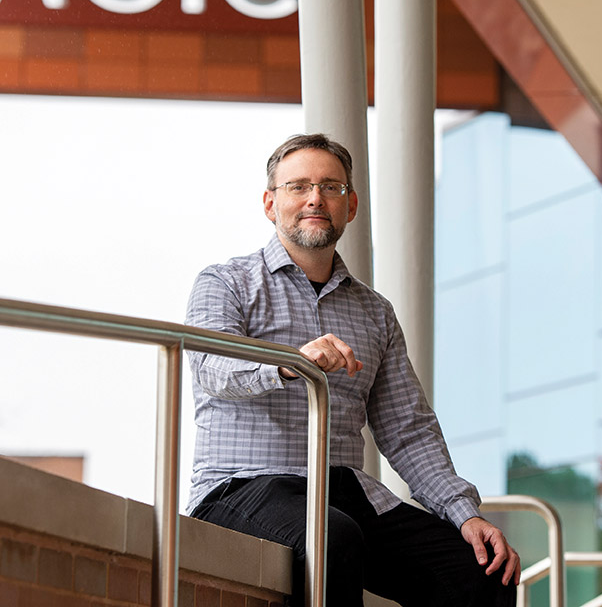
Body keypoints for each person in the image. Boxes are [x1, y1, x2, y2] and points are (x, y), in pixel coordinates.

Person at [185, 133, 519, 606]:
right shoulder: (225, 284)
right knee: (333, 538)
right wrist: (292, 363)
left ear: (351, 205)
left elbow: (408, 430)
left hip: (343, 490)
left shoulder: (375, 312)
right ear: (269, 203)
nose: (315, 198)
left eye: (331, 188)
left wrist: (465, 514)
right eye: (298, 186)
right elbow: (210, 367)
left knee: (483, 569)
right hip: (242, 485)